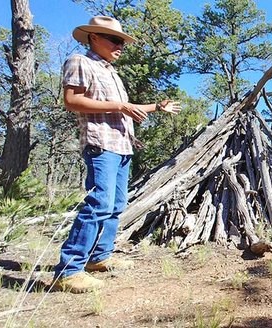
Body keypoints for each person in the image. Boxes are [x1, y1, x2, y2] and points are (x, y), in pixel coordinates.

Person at [52, 16, 181, 293]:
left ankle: (99, 257)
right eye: (114, 39)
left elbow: (126, 107)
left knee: (115, 206)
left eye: (121, 41)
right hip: (101, 144)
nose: (120, 45)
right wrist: (120, 106)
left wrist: (156, 107)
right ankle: (69, 270)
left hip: (122, 146)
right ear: (94, 37)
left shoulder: (110, 71)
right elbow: (72, 100)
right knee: (97, 204)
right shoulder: (80, 62)